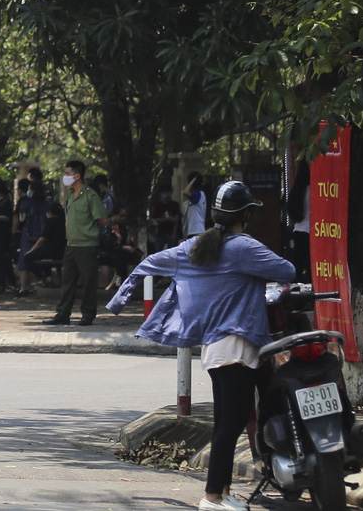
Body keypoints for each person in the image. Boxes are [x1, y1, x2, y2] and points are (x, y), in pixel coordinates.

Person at [108, 181, 296, 511]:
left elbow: (148, 262)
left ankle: (223, 493)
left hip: (213, 349)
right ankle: (211, 497)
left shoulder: (193, 247)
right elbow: (287, 270)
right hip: (237, 346)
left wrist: (118, 301)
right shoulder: (243, 248)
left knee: (229, 420)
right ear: (246, 215)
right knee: (230, 426)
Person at [53, 159, 108, 326]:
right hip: (71, 244)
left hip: (87, 245)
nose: (65, 176)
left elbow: (102, 219)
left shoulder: (91, 195)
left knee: (88, 281)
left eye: (68, 173)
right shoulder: (70, 194)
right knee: (67, 282)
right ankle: (63, 314)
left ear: (77, 176)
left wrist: (87, 230)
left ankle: (88, 314)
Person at [182, 173, 209, 238]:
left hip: (196, 230)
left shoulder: (198, 194)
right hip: (193, 230)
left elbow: (185, 192)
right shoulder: (197, 195)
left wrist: (193, 180)